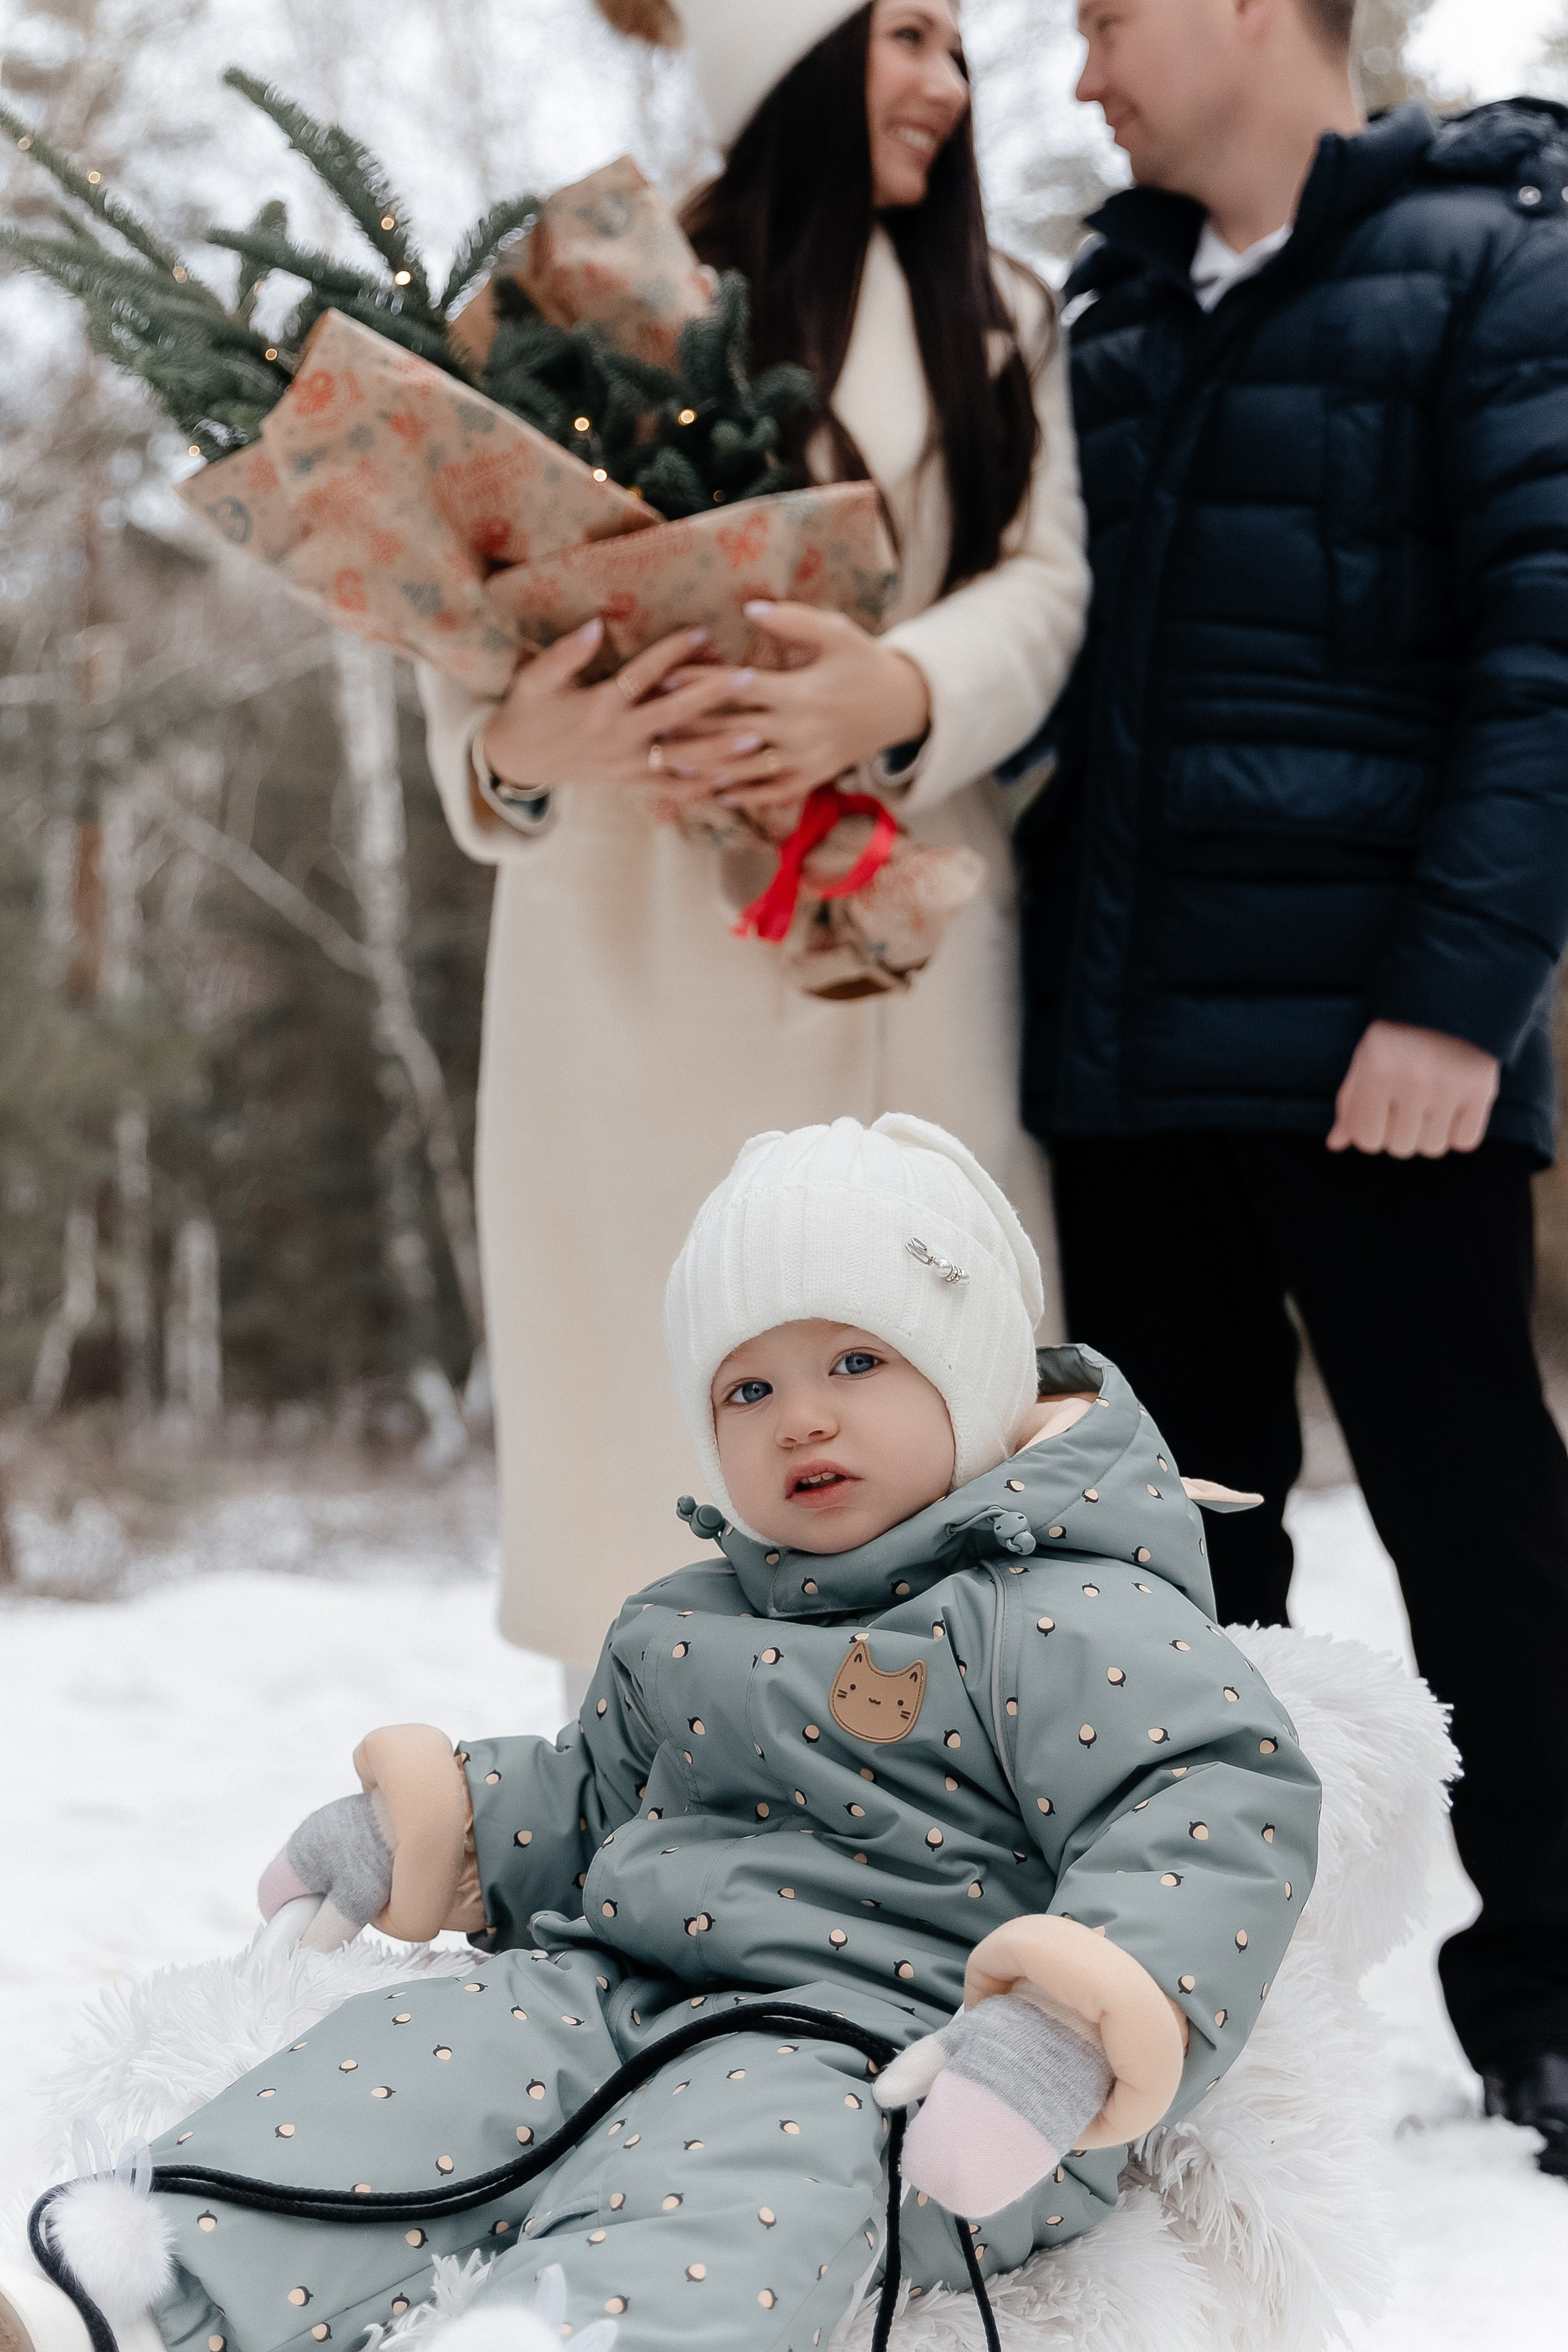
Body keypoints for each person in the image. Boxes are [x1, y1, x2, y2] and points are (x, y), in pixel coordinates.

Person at [28, 1117, 1316, 2352]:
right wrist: (441, 1824)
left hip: (896, 2061)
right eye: (746, 1386)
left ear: (972, 1377)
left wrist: (1058, 2033)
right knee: (431, 2055)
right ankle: (155, 2284)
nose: (798, 1417)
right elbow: (592, 1799)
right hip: (620, 1987)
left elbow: (1206, 1808)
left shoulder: (1059, 1609)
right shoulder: (687, 1617)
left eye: (855, 1362)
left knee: (740, 2167)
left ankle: (573, 2333)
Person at [1016, 0, 1568, 2169]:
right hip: (1129, 1044)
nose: (1080, 77)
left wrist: (1459, 998)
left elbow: (1546, 655)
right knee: (1176, 1563)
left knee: (1479, 1523)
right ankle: (1183, 1997)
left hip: (1383, 1052)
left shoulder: (1495, 262)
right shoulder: (1113, 316)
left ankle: (1547, 1994)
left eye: (1106, 20)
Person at [414, 0, 1089, 1678]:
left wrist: (899, 690)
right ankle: (650, 1801)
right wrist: (517, 743)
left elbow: (1050, 575)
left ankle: (953, 1835)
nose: (948, 84)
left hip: (905, 921)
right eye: (908, 35)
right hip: (635, 947)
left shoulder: (1002, 315)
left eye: (957, 46)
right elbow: (457, 613)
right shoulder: (579, 299)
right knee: (657, 1405)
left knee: (936, 1364)